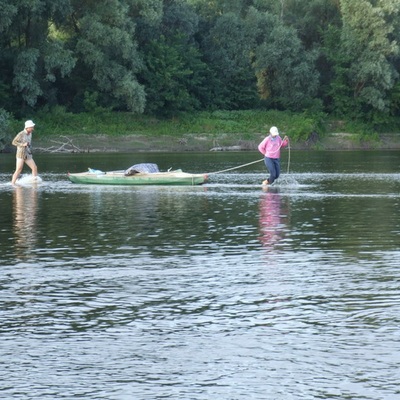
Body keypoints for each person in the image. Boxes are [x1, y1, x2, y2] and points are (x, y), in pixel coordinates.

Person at [11, 120, 38, 185]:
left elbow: (28, 143)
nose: (33, 129)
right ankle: (12, 184)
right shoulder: (21, 134)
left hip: (28, 154)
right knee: (18, 170)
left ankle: (34, 183)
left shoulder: (30, 134)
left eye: (33, 127)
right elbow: (14, 142)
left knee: (34, 168)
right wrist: (23, 145)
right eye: (31, 127)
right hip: (20, 154)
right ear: (27, 127)